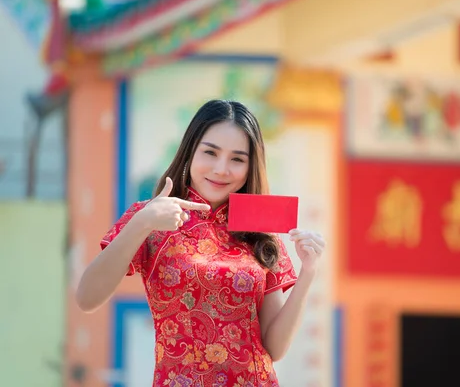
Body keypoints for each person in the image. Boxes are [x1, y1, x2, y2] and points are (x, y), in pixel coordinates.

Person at [75, 99, 326, 387]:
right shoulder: (153, 217)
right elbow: (86, 298)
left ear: (250, 166)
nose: (221, 169)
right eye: (210, 152)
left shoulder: (260, 229)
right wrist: (141, 223)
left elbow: (275, 348)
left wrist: (307, 273)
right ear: (190, 151)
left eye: (237, 159)